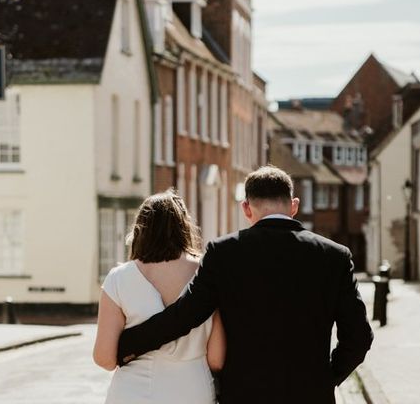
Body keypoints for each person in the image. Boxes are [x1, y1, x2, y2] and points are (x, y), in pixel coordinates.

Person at [116, 165, 373, 404]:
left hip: (243, 395)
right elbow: (359, 337)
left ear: (246, 208)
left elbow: (186, 315)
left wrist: (127, 345)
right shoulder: (335, 256)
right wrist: (325, 379)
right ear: (294, 206)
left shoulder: (223, 252)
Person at [93, 190, 226, 404]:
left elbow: (105, 358)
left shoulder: (119, 279)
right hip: (191, 392)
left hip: (132, 393)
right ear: (184, 228)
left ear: (140, 229)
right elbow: (216, 358)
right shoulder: (207, 274)